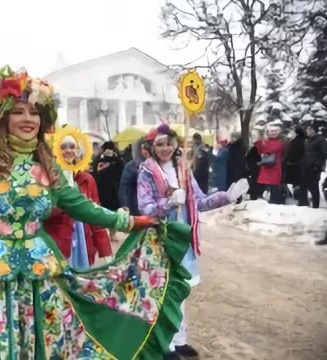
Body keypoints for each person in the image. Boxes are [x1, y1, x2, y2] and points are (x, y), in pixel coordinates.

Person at [0, 66, 192, 359]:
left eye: (34, 112)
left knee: (51, 346)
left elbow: (83, 207)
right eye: (19, 111)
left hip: (41, 277)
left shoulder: (49, 166)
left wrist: (129, 220)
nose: (28, 119)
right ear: (3, 117)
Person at [137, 124, 248, 360]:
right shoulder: (146, 172)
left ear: (176, 144)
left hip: (183, 240)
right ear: (152, 147)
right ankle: (164, 344)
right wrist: (168, 203)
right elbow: (145, 208)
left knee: (181, 291)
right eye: (160, 144)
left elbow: (200, 201)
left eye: (169, 143)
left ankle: (179, 340)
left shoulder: (183, 171)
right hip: (161, 241)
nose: (165, 148)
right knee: (163, 293)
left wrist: (226, 197)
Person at [45, 130, 112, 268]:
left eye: (72, 147)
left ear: (78, 150)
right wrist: (66, 206)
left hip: (83, 241)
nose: (68, 151)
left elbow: (96, 214)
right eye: (63, 147)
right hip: (58, 242)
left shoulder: (87, 179)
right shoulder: (49, 178)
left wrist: (106, 253)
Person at [92, 141, 124, 242]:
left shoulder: (117, 161)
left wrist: (115, 156)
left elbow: (121, 170)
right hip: (103, 189)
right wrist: (102, 157)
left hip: (113, 190)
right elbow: (95, 169)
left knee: (113, 212)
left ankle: (112, 233)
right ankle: (102, 233)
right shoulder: (100, 161)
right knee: (102, 211)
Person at [299, 124, 327, 208]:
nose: (307, 131)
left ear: (313, 130)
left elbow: (324, 154)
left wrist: (318, 165)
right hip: (305, 165)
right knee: (303, 185)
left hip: (314, 167)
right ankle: (303, 203)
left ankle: (315, 204)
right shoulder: (308, 140)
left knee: (314, 186)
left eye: (309, 130)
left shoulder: (321, 140)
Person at [119, 137, 151, 215]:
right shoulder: (131, 166)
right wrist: (126, 209)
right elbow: (124, 190)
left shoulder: (156, 164)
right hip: (136, 208)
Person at [255, 125, 285, 204]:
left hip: (273, 164)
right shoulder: (265, 142)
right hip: (271, 164)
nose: (273, 133)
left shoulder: (276, 142)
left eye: (275, 131)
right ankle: (273, 199)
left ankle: (275, 199)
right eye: (272, 132)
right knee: (272, 183)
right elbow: (259, 149)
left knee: (274, 184)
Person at [283, 126, 306, 191]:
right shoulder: (303, 140)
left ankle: (299, 196)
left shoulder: (295, 141)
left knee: (296, 181)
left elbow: (290, 152)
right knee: (297, 182)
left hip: (294, 164)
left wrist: (285, 161)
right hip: (296, 163)